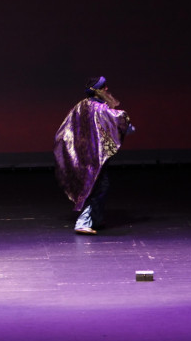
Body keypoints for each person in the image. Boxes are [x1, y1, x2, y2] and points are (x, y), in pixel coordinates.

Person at [54, 77, 135, 235]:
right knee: (96, 186)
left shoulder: (81, 106)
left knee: (99, 185)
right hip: (94, 156)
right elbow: (118, 119)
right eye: (104, 87)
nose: (107, 89)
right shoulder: (99, 108)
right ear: (98, 90)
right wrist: (128, 124)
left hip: (86, 154)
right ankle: (83, 222)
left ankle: (96, 219)